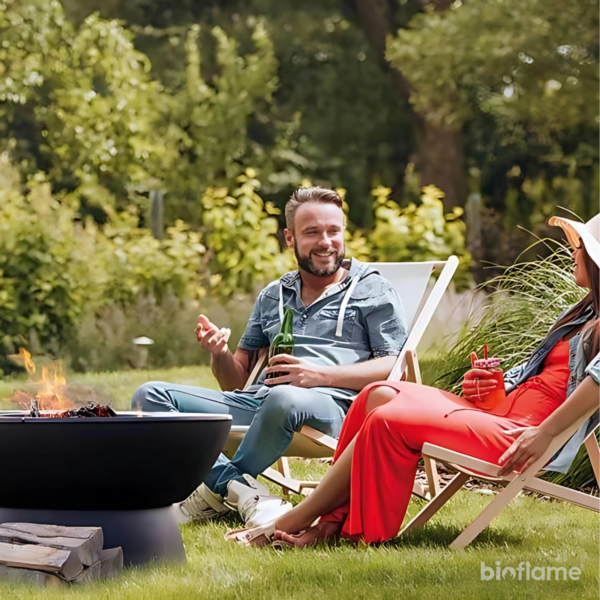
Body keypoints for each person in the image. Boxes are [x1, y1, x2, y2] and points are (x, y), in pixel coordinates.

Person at [227, 213, 600, 547]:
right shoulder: (582, 315)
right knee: (378, 394)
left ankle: (298, 519)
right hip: (502, 415)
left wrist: (547, 433)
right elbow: (543, 382)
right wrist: (493, 387)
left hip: (522, 435)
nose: (572, 252)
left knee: (390, 420)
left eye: (579, 247)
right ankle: (330, 524)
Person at [131, 186, 407, 527]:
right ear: (290, 238)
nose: (326, 241)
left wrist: (319, 376)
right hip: (260, 401)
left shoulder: (372, 288)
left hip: (336, 406)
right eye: (312, 232)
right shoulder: (273, 295)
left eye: (334, 231)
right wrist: (220, 354)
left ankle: (212, 494)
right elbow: (236, 380)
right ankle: (240, 491)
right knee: (149, 395)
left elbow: (395, 366)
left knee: (284, 397)